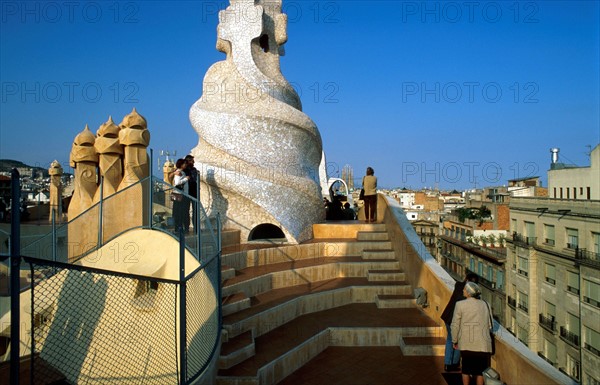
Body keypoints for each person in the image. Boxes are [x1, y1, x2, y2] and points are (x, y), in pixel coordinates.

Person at [451, 282, 493, 385]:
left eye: (465, 289)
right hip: (482, 344)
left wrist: (454, 340)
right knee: (480, 371)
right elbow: (490, 325)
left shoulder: (460, 304)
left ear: (469, 293)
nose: (463, 290)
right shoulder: (486, 304)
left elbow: (455, 325)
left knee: (466, 369)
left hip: (466, 343)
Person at [441, 272, 479, 372]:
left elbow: (459, 283)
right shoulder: (471, 295)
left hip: (448, 316)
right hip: (457, 320)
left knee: (450, 339)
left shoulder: (458, 285)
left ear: (466, 279)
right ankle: (454, 363)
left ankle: (447, 363)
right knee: (459, 341)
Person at [172, 158, 190, 234]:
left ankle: (180, 227)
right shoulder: (179, 172)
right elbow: (177, 182)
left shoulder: (181, 172)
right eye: (184, 164)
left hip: (182, 195)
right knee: (180, 212)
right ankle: (179, 228)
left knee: (181, 212)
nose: (185, 165)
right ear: (181, 164)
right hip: (180, 195)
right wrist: (186, 179)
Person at [185, 154, 199, 233]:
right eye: (192, 161)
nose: (193, 162)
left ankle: (196, 228)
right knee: (186, 210)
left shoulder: (194, 170)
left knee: (195, 211)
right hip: (187, 191)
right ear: (188, 161)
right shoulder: (185, 170)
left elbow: (194, 179)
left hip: (194, 191)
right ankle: (186, 228)